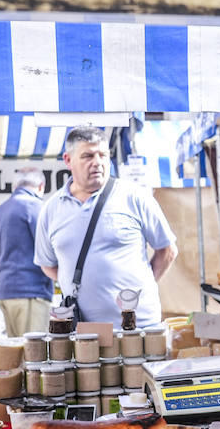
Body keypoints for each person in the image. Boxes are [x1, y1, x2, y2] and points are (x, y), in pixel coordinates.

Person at [36, 127, 178, 326]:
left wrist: (142, 290)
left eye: (102, 155)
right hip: (85, 329)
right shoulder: (51, 209)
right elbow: (48, 264)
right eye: (87, 156)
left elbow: (167, 250)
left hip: (140, 325)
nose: (97, 162)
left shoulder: (134, 196)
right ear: (68, 160)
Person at [0, 166, 53, 336]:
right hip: (32, 292)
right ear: (41, 187)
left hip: (5, 292)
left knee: (15, 355)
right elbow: (48, 253)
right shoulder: (37, 207)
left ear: (14, 187)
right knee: (34, 356)